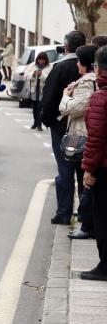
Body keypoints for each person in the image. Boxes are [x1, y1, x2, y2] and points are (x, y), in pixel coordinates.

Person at [42, 30, 88, 225]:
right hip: (86, 126)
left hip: (62, 125)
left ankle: (64, 212)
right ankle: (85, 213)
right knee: (83, 170)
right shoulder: (91, 69)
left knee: (65, 169)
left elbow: (49, 97)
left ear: (66, 46)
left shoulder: (60, 68)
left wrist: (47, 120)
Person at [58, 45, 97, 240]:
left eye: (78, 60)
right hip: (91, 134)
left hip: (84, 136)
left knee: (86, 181)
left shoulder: (87, 83)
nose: (76, 63)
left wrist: (65, 96)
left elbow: (74, 109)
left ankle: (87, 222)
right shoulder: (91, 81)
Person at [81, 45, 107, 281]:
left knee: (102, 217)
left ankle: (105, 266)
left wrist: (89, 169)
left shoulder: (100, 97)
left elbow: (97, 138)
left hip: (104, 168)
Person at [25, 52, 51, 130]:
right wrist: (33, 74)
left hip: (42, 90)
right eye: (40, 59)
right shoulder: (32, 65)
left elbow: (49, 79)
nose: (41, 61)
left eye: (43, 60)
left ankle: (39, 124)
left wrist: (41, 75)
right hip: (34, 89)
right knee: (34, 107)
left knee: (40, 107)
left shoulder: (49, 67)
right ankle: (35, 123)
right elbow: (26, 76)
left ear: (46, 60)